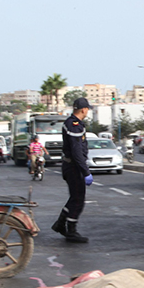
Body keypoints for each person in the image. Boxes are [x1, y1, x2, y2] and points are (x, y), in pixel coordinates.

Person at [51, 97, 93, 243]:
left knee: (74, 198)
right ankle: (71, 231)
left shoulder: (72, 123)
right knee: (78, 200)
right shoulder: (75, 125)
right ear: (83, 109)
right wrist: (86, 172)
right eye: (87, 109)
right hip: (74, 167)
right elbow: (76, 151)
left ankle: (60, 224)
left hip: (70, 166)